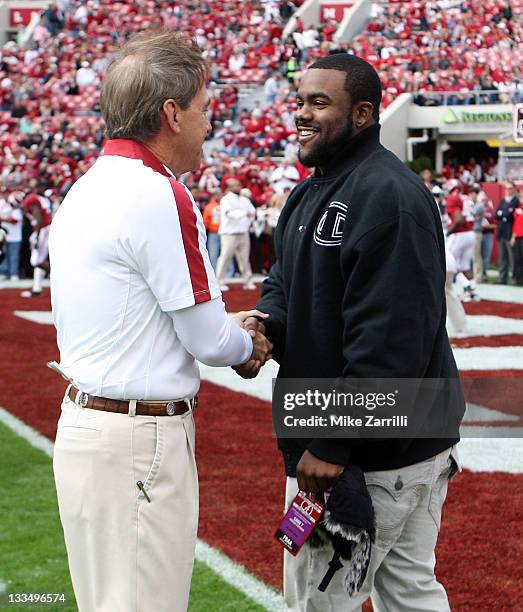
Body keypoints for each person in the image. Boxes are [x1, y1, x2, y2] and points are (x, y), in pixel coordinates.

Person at [49, 31, 272, 612]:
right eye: (201, 110)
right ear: (171, 114)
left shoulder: (83, 188)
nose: (207, 125)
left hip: (86, 426)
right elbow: (206, 337)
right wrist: (244, 339)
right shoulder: (158, 193)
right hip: (137, 436)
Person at [235, 54, 462, 611]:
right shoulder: (313, 190)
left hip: (376, 452)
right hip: (388, 440)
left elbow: (391, 340)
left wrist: (334, 439)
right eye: (299, 101)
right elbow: (286, 280)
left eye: (319, 103)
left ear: (362, 114)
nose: (301, 115)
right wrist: (267, 326)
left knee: (320, 602)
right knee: (410, 593)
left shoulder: (387, 195)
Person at [215, 178, 256, 291]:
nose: (239, 187)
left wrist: (245, 215)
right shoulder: (226, 199)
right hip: (229, 234)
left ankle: (248, 281)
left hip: (243, 232)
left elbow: (252, 212)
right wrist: (244, 213)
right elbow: (229, 213)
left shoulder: (244, 200)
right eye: (236, 185)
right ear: (229, 187)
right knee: (225, 258)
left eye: (239, 184)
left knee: (244, 259)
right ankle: (219, 281)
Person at [495, 182, 518, 284]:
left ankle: (514, 278)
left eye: (510, 188)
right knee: (502, 257)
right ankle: (502, 277)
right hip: (502, 232)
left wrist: (503, 214)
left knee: (512, 257)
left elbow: (510, 215)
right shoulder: (503, 201)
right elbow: (497, 214)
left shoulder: (516, 201)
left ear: (514, 189)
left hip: (510, 232)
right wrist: (505, 214)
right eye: (506, 188)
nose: (508, 190)